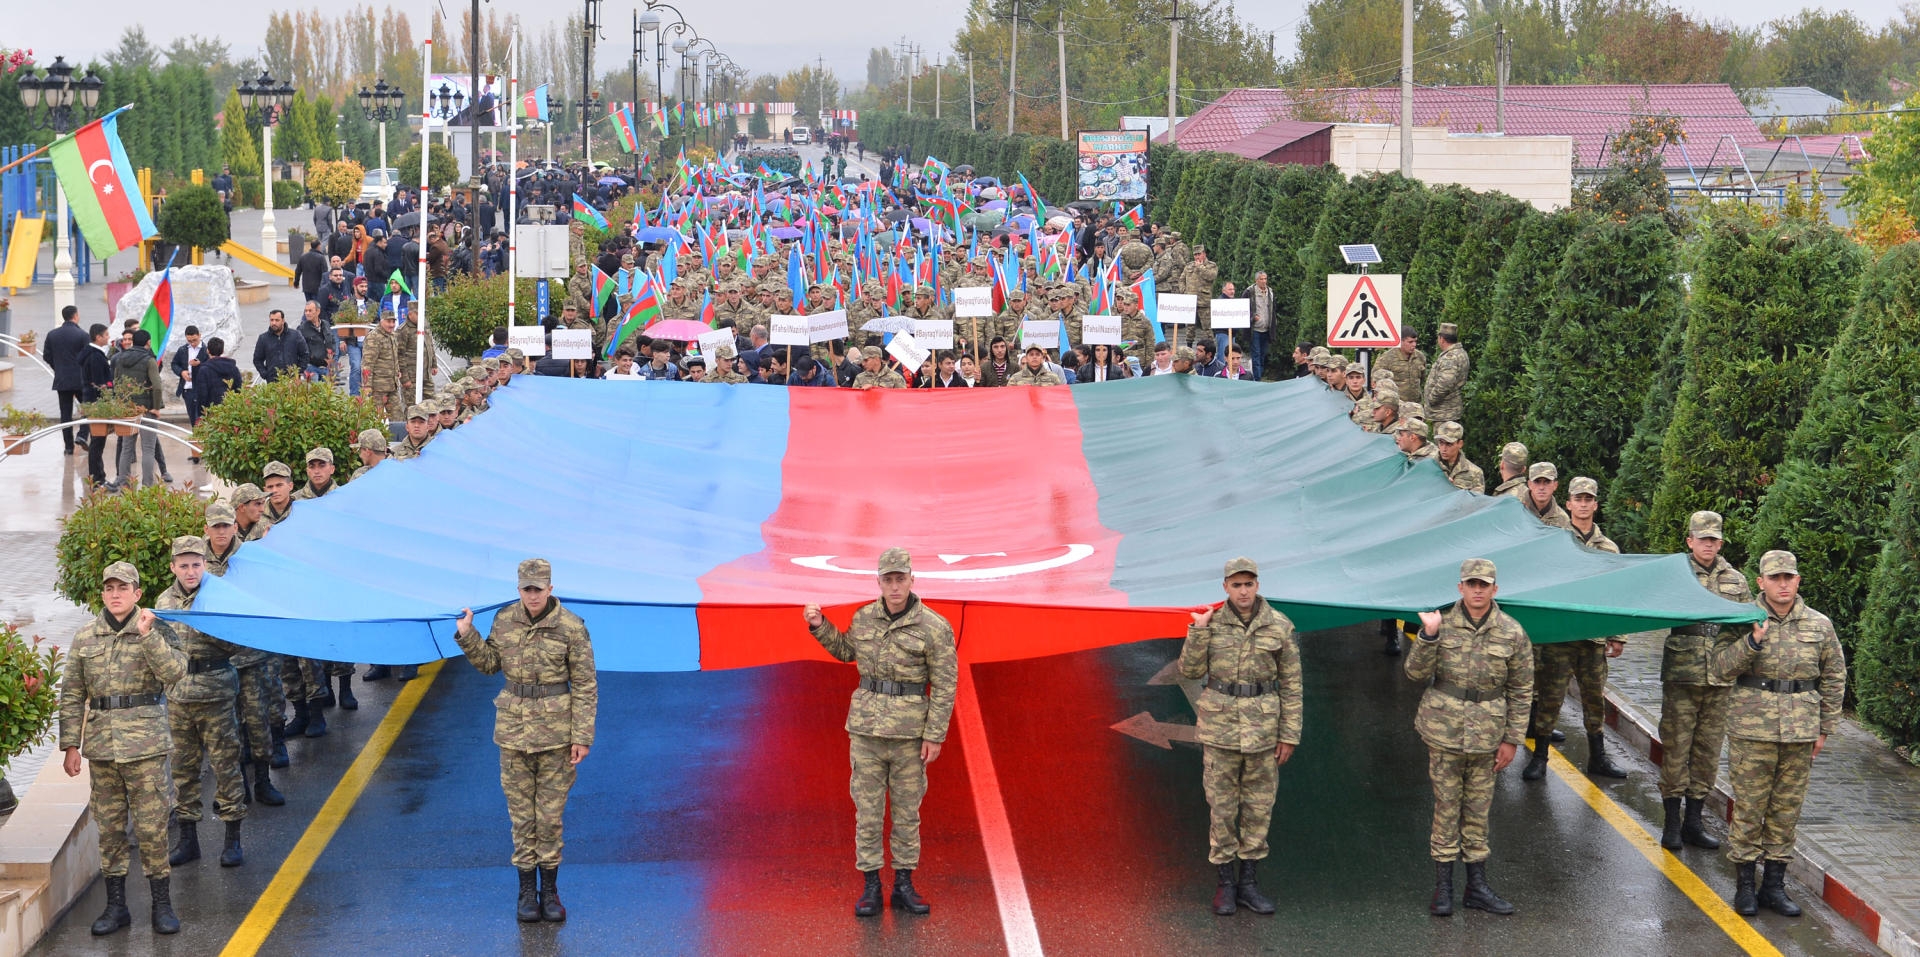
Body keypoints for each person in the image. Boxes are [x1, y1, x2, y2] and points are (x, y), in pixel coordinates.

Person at [803, 548, 957, 918]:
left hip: (908, 737)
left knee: (907, 814)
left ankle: (904, 884)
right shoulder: (864, 618)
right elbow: (845, 652)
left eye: (900, 578)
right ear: (879, 582)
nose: (894, 586)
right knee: (868, 813)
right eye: (887, 580)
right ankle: (871, 886)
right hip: (867, 733)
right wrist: (818, 625)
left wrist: (934, 735)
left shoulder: (934, 627)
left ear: (911, 579)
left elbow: (945, 684)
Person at [453, 559, 597, 923]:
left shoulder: (571, 628)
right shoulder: (504, 620)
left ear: (550, 588)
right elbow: (488, 665)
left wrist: (582, 736)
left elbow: (584, 685)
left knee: (549, 818)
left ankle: (549, 892)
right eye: (526, 589)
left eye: (538, 588)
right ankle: (525, 894)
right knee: (521, 818)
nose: (532, 595)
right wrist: (467, 635)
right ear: (518, 589)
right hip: (514, 735)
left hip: (557, 736)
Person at [58, 561, 190, 936]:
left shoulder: (155, 628)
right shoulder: (86, 637)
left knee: (152, 828)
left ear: (137, 594)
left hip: (145, 746)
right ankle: (116, 907)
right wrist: (71, 744)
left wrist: (148, 636)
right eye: (109, 588)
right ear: (102, 593)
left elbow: (176, 672)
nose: (115, 594)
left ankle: (162, 906)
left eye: (123, 588)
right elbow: (71, 694)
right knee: (111, 829)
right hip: (102, 749)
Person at [1712, 549, 1844, 918]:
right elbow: (1720, 667)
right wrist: (1751, 642)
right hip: (1751, 730)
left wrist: (1825, 728)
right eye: (1775, 578)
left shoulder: (1819, 625)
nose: (1783, 584)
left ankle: (1773, 886)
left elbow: (1834, 675)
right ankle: (1744, 886)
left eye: (1789, 577)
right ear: (1761, 582)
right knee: (1750, 808)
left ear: (1798, 581)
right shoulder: (1741, 620)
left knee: (1786, 810)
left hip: (1800, 731)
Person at [1408, 558, 1532, 917]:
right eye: (1471, 584)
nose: (1478, 590)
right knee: (1446, 809)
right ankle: (1443, 888)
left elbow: (1522, 690)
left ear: (1495, 590)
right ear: (1460, 588)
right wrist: (1428, 636)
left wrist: (1512, 740)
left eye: (1484, 585)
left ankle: (1476, 887)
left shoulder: (1512, 632)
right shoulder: (1439, 624)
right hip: (1444, 732)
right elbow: (1414, 674)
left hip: (1487, 736)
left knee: (1478, 812)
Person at [1179, 557, 1302, 916]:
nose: (1243, 591)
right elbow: (1189, 670)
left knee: (1259, 807)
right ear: (1225, 588)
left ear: (1258, 585)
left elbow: (1292, 684)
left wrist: (1289, 734)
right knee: (1222, 808)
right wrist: (1198, 631)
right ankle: (1225, 885)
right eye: (1236, 585)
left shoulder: (1278, 625)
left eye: (1249, 584)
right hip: (1221, 731)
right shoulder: (1211, 624)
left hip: (1263, 731)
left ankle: (1248, 882)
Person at [1519, 477, 1629, 782]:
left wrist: (1618, 635)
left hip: (1593, 640)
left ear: (1595, 505)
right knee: (1549, 699)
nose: (1583, 504)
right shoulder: (1554, 540)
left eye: (1588, 499)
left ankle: (1598, 758)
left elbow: (1617, 592)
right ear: (1568, 504)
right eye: (1577, 499)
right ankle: (1540, 757)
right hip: (1559, 636)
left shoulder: (1608, 548)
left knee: (1595, 701)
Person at [1657, 510, 1753, 851]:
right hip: (1683, 675)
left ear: (1721, 542)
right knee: (1676, 748)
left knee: (1708, 752)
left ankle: (1693, 822)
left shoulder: (1737, 581)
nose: (1708, 544)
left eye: (1714, 539)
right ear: (1690, 541)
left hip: (1721, 678)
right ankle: (1670, 822)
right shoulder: (1676, 574)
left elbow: (1745, 625)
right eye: (1702, 539)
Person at [155, 536, 249, 869]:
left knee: (226, 766)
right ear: (173, 567)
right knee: (184, 772)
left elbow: (239, 644)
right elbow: (159, 649)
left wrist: (205, 626)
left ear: (204, 565)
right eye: (184, 565)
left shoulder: (218, 596)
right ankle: (188, 840)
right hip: (179, 698)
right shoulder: (164, 601)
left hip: (217, 694)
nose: (191, 571)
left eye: (196, 564)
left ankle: (232, 838)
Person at [109, 329, 171, 490]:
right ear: (148, 342)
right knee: (148, 448)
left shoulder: (120, 358)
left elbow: (116, 383)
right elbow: (157, 386)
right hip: (147, 409)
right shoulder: (149, 360)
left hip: (127, 409)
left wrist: (120, 405)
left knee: (126, 448)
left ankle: (124, 484)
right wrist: (156, 408)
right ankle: (148, 485)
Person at [46, 304, 90, 454]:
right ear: (76, 316)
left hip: (62, 380)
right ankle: (83, 435)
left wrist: (58, 367)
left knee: (65, 414)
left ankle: (68, 447)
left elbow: (47, 356)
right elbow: (87, 357)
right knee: (88, 408)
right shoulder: (83, 335)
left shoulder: (52, 334)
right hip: (81, 380)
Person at [1423, 322, 1469, 426]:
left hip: (1444, 412)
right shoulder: (1460, 353)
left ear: (1441, 339)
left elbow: (1445, 382)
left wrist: (1431, 399)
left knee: (1443, 441)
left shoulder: (1450, 357)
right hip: (1449, 411)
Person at [252, 309, 310, 382]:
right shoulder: (263, 338)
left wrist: (298, 372)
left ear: (283, 321)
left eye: (277, 320)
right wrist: (265, 374)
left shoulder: (295, 335)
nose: (274, 323)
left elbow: (305, 355)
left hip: (292, 381)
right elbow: (257, 359)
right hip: (273, 381)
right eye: (272, 320)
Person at [169, 325, 207, 426]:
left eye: (194, 340)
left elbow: (211, 366)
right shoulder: (182, 350)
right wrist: (182, 372)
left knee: (202, 419)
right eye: (189, 341)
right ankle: (196, 439)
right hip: (187, 389)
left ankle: (201, 440)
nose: (192, 343)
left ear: (200, 336)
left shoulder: (206, 350)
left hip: (202, 388)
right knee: (193, 420)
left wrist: (200, 364)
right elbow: (174, 364)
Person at [1433, 422, 1485, 493]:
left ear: (1460, 444)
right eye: (1441, 443)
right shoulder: (1430, 467)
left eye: (1449, 444)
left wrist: (1453, 490)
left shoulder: (1474, 472)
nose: (1444, 448)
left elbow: (1477, 501)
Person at [1521, 462, 1571, 529]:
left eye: (1547, 482)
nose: (1541, 487)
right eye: (1537, 482)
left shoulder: (1562, 520)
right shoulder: (1515, 511)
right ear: (1529, 484)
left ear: (1555, 485)